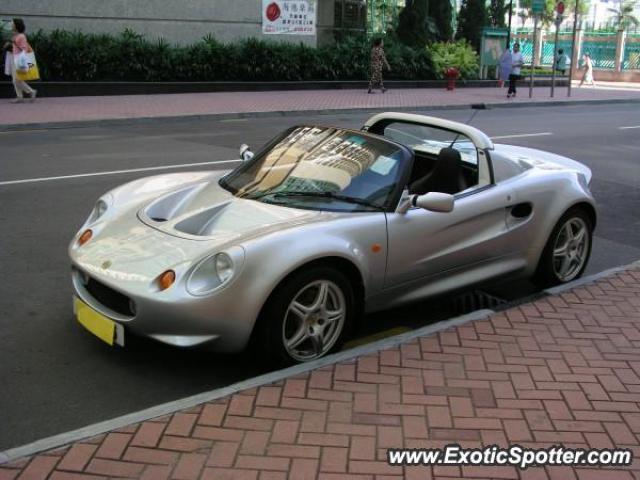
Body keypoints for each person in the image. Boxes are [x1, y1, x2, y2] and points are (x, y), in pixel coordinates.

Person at [3, 18, 37, 103]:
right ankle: (20, 97)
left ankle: (31, 91)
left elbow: (24, 48)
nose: (11, 25)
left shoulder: (21, 36)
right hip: (14, 58)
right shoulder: (15, 35)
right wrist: (9, 45)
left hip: (19, 60)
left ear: (17, 25)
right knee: (16, 79)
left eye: (13, 24)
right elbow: (14, 47)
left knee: (16, 79)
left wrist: (13, 46)